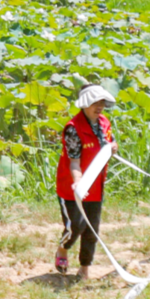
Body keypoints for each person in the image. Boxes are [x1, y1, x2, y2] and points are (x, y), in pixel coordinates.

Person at [55, 85, 116, 281]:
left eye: (102, 103)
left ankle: (84, 268)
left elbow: (110, 143)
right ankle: (63, 249)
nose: (100, 107)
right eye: (95, 103)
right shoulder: (73, 128)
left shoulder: (104, 123)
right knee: (76, 226)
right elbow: (74, 160)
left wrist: (113, 147)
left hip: (96, 186)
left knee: (92, 229)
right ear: (85, 104)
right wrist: (78, 183)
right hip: (73, 187)